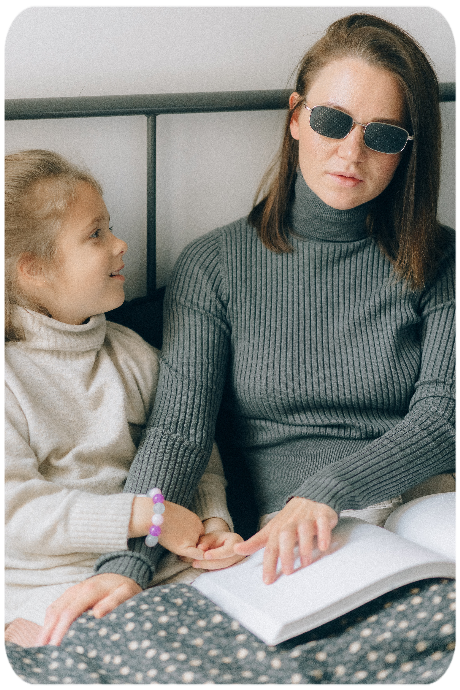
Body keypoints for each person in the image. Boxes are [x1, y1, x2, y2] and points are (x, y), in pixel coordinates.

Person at [40, 13, 460, 646]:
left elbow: (444, 421)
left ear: (409, 148)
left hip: (417, 503)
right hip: (286, 529)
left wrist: (329, 489)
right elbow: (180, 429)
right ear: (296, 117)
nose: (351, 152)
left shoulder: (444, 261)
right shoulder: (216, 265)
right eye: (331, 121)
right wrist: (130, 562)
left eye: (383, 135)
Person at [0, 149, 243, 648]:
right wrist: (143, 515)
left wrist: (213, 521)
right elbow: (14, 513)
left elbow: (194, 451)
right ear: (34, 270)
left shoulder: (132, 353)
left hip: (157, 568)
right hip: (46, 584)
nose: (120, 244)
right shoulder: (9, 376)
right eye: (96, 234)